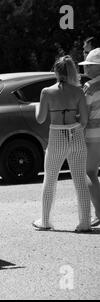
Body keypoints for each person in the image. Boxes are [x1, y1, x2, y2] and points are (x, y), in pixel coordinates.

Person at [32, 55, 91, 232]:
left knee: (50, 179)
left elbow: (41, 119)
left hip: (57, 135)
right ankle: (85, 222)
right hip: (77, 135)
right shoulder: (78, 92)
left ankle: (45, 220)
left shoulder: (47, 92)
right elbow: (85, 120)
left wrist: (36, 107)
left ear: (56, 71)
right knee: (80, 179)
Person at [78, 48, 100, 227]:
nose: (86, 68)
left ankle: (99, 213)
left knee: (90, 173)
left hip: (94, 135)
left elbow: (83, 112)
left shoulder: (90, 87)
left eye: (90, 65)